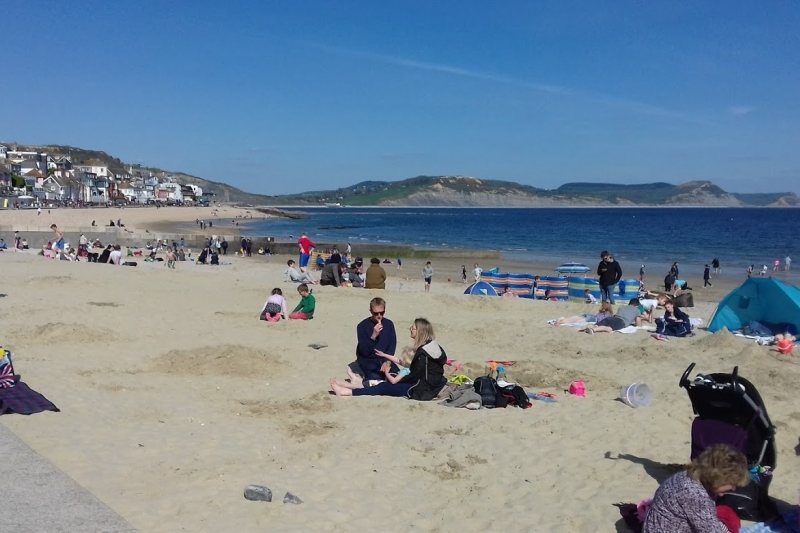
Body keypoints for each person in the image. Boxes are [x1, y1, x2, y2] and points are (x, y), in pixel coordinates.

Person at [642, 444, 749, 533]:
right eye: (731, 483)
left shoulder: (691, 476)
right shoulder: (695, 494)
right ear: (718, 478)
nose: (733, 488)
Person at [332, 317, 447, 400]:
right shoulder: (433, 346)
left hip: (420, 390)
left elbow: (415, 375)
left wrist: (397, 379)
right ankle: (352, 385)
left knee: (383, 387)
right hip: (435, 384)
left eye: (413, 328)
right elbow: (417, 368)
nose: (410, 329)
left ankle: (346, 391)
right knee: (387, 380)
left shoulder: (422, 353)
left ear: (419, 332)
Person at [354, 297, 397, 382]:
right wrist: (373, 336)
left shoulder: (389, 324)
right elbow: (364, 351)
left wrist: (387, 361)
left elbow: (392, 345)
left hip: (384, 358)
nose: (379, 316)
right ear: (370, 311)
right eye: (376, 313)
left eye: (382, 313)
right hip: (368, 359)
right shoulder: (362, 326)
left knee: (395, 376)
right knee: (375, 379)